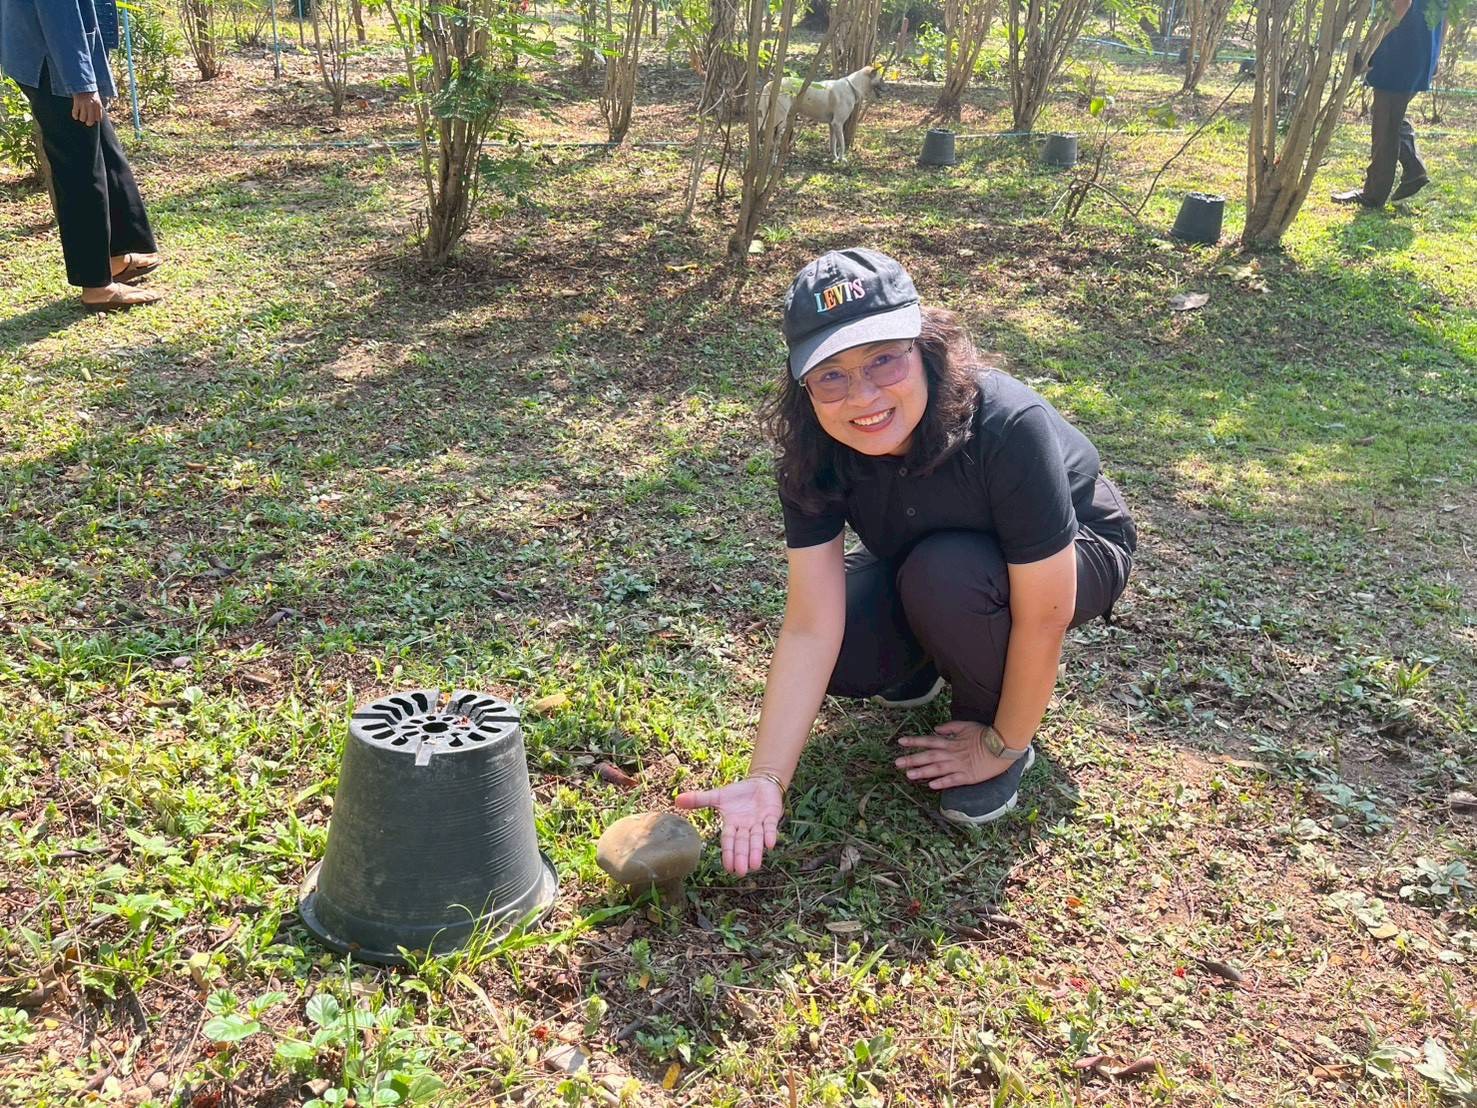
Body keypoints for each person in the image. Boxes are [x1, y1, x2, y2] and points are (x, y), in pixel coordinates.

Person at [677, 248, 1136, 876]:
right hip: (930, 552)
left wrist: (1004, 742)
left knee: (946, 577)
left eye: (883, 359)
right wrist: (766, 778)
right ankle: (928, 655)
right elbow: (811, 625)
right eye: (830, 375)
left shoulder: (1007, 424)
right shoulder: (813, 452)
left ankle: (986, 718)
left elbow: (1045, 616)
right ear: (803, 386)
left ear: (925, 347)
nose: (861, 395)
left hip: (1074, 551)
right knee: (850, 648)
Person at [1, 0, 163, 311]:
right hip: (55, 62)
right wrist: (82, 86)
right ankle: (97, 286)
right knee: (81, 172)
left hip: (44, 53)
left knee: (104, 150)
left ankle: (116, 256)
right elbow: (57, 13)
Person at [1332, 0, 1445, 207]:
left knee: (1386, 123)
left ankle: (1374, 195)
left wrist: (1370, 46)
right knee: (1390, 115)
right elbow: (1445, 12)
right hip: (1422, 49)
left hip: (1399, 51)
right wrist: (1436, 53)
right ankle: (1414, 169)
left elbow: (1401, 4)